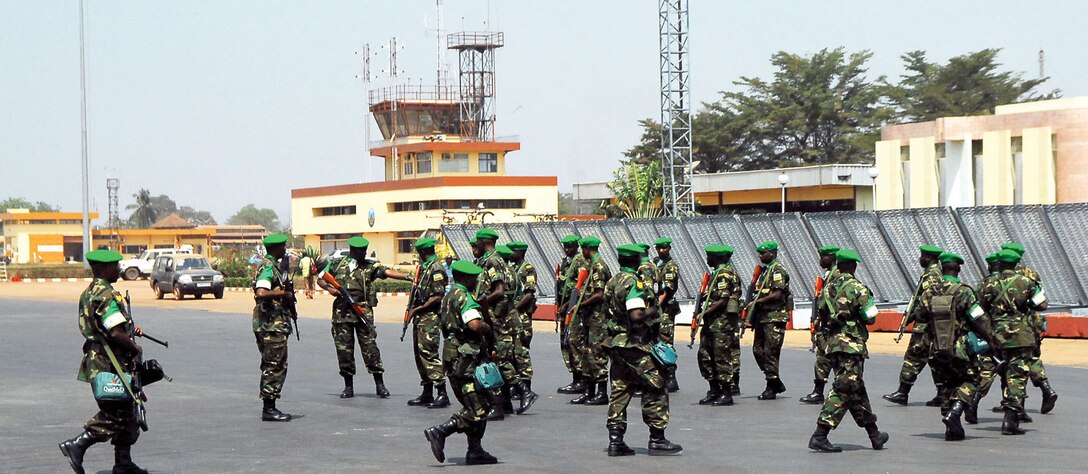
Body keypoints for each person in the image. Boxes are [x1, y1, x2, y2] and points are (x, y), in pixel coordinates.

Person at [59, 249, 150, 474]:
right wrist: (134, 346)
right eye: (113, 267)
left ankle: (123, 463)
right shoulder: (105, 293)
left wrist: (129, 328)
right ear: (100, 269)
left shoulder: (91, 291)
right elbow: (113, 333)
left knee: (128, 412)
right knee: (116, 413)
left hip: (105, 359)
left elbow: (109, 325)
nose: (118, 270)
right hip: (107, 361)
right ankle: (77, 445)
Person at [604, 244, 682, 456]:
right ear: (636, 260)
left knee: (620, 390)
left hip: (616, 344)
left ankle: (615, 440)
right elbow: (636, 315)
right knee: (656, 386)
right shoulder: (634, 283)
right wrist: (653, 309)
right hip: (636, 345)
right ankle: (657, 438)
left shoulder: (612, 281)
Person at [808, 249, 889, 453]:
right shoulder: (857, 288)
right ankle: (820, 434)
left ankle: (874, 434)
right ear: (853, 266)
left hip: (833, 344)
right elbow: (871, 317)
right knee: (844, 388)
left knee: (856, 390)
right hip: (851, 345)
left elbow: (822, 313)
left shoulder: (828, 289)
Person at [316, 236, 411, 399]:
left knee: (370, 348)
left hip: (362, 309)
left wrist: (407, 277)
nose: (363, 254)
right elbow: (321, 279)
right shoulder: (338, 264)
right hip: (342, 312)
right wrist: (330, 289)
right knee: (344, 350)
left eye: (365, 251)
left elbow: (386, 272)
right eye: (361, 251)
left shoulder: (369, 266)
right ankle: (348, 386)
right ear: (353, 251)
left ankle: (380, 385)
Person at [424, 260, 499, 465]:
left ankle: (475, 450)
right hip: (467, 361)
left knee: (475, 403)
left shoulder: (448, 296)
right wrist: (487, 328)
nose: (476, 281)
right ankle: (441, 431)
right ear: (466, 278)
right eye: (474, 278)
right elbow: (474, 324)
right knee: (479, 408)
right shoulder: (465, 297)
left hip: (453, 357)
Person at [923, 252, 997, 441]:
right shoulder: (964, 291)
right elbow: (978, 318)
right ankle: (954, 413)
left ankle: (952, 429)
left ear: (941, 267)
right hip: (959, 347)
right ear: (958, 269)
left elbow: (920, 316)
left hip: (936, 347)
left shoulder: (930, 291)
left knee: (948, 384)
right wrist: (989, 340)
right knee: (973, 380)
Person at [978, 249, 1048, 436]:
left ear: (999, 263)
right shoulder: (1027, 282)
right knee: (1017, 375)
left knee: (996, 370)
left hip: (995, 335)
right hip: (1021, 336)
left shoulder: (987, 283)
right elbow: (1041, 305)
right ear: (1016, 264)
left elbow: (978, 308)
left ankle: (972, 402)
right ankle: (1010, 419)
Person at [883, 245, 946, 406]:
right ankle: (942, 394)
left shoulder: (932, 276)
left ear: (930, 258)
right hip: (932, 326)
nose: (920, 259)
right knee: (935, 360)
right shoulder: (932, 274)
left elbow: (928, 301)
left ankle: (903, 392)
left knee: (913, 357)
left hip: (925, 326)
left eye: (923, 256)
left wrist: (915, 314)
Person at [1001, 242, 1058, 415]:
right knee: (1030, 359)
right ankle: (1045, 389)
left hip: (1013, 326)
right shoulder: (1031, 273)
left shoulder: (1007, 277)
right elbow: (1040, 300)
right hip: (1033, 323)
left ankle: (1015, 404)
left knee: (1012, 363)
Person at [485, 244, 538, 419]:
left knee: (503, 360)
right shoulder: (512, 273)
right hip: (509, 322)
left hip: (502, 323)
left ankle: (523, 390)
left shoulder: (505, 275)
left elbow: (504, 301)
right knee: (508, 358)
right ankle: (506, 401)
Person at [251, 233, 296, 421]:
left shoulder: (273, 266)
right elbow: (261, 292)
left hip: (271, 323)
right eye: (283, 247)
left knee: (272, 363)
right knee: (274, 365)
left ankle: (269, 405)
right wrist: (284, 293)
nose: (284, 250)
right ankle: (269, 408)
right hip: (271, 325)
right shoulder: (268, 267)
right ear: (276, 248)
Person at [406, 237, 451, 409]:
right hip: (421, 317)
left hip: (430, 317)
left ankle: (442, 392)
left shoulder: (436, 268)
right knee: (420, 355)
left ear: (424, 251)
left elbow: (438, 296)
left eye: (419, 252)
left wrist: (417, 309)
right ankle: (427, 392)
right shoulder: (425, 268)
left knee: (429, 353)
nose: (418, 256)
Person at [695, 244, 742, 407]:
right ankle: (714, 389)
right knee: (706, 357)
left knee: (721, 358)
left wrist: (704, 313)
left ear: (717, 258)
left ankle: (726, 392)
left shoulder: (724, 274)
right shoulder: (716, 274)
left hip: (721, 324)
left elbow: (723, 300)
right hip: (712, 324)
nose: (707, 259)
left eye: (710, 256)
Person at [569, 236, 612, 405]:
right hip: (589, 318)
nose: (582, 253)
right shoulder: (592, 266)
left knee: (597, 354)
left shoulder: (599, 266)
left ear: (587, 249)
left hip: (597, 318)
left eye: (583, 249)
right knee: (587, 354)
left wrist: (581, 304)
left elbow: (599, 294)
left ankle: (601, 393)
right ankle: (589, 391)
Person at [747, 240, 792, 400]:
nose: (759, 255)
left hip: (774, 317)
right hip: (763, 318)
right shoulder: (765, 271)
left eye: (762, 253)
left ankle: (771, 387)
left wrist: (757, 302)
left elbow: (777, 294)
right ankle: (775, 381)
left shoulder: (777, 270)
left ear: (771, 253)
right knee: (757, 350)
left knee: (771, 352)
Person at [800, 245, 840, 405]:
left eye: (823, 256)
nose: (820, 260)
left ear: (831, 258)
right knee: (822, 358)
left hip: (834, 326)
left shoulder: (836, 275)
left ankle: (843, 392)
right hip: (827, 325)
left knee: (835, 359)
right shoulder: (829, 275)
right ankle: (818, 392)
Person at [556, 234, 587, 394]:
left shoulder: (580, 261)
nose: (567, 249)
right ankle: (575, 377)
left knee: (575, 342)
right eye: (565, 246)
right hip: (565, 308)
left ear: (576, 247)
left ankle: (581, 379)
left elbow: (579, 288)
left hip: (575, 309)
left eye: (570, 247)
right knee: (567, 343)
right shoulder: (566, 262)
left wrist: (567, 305)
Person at [508, 241, 537, 396]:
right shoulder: (512, 269)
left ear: (520, 252)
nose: (510, 254)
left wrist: (515, 308)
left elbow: (529, 293)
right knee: (512, 350)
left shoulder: (528, 269)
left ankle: (526, 384)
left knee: (522, 351)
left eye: (513, 251)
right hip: (513, 315)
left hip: (522, 316)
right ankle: (516, 385)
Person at [654, 237, 682, 393]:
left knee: (666, 341)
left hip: (665, 309)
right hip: (655, 308)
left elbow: (667, 290)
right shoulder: (655, 262)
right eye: (658, 248)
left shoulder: (671, 267)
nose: (660, 251)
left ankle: (671, 377)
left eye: (663, 248)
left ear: (669, 249)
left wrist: (657, 304)